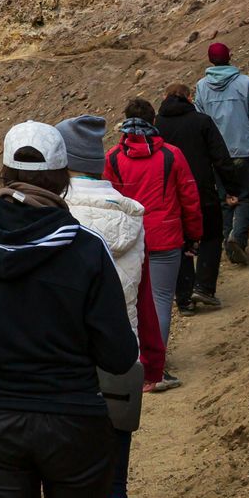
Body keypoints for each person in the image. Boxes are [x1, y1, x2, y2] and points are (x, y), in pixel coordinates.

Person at [0, 121, 138, 498]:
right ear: (62, 179)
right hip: (73, 419)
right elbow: (119, 355)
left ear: (5, 175)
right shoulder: (85, 247)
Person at [57, 115, 163, 498]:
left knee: (64, 484)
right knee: (114, 484)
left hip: (64, 367)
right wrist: (151, 361)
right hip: (122, 363)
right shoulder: (132, 218)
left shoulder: (51, 220)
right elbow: (145, 298)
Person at [105, 100, 201, 369]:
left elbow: (109, 200)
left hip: (126, 239)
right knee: (160, 300)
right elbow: (189, 198)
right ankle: (154, 364)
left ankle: (131, 360)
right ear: (154, 120)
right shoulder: (171, 154)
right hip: (165, 236)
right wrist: (193, 235)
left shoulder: (113, 157)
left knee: (128, 301)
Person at [153, 84, 240, 313]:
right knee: (211, 235)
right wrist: (231, 187)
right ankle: (203, 287)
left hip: (169, 192)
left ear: (165, 97)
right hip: (202, 189)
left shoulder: (157, 124)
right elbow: (220, 157)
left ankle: (184, 299)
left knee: (179, 241)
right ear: (190, 98)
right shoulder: (202, 121)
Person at [193, 43, 249, 266]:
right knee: (248, 195)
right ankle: (237, 238)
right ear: (229, 57)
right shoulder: (245, 82)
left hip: (217, 154)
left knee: (225, 199)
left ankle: (227, 242)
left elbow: (200, 120)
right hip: (243, 148)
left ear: (210, 60)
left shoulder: (202, 87)